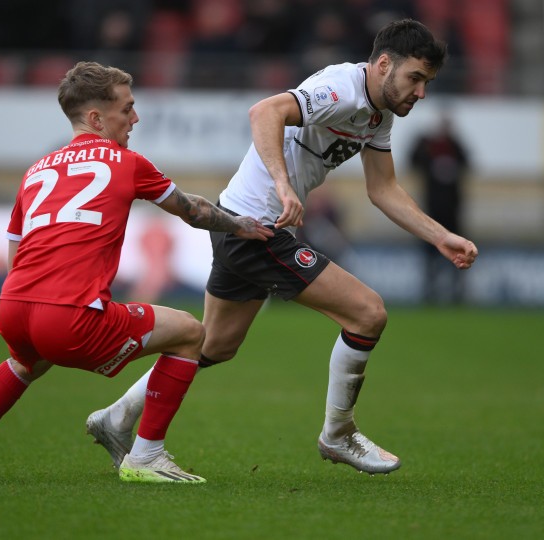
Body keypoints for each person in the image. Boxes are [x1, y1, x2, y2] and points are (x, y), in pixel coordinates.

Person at [88, 18, 478, 475]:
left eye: (427, 82)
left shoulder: (380, 113)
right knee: (368, 313)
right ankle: (338, 433)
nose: (421, 92)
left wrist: (440, 235)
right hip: (258, 226)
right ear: (384, 64)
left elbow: (383, 188)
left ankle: (117, 418)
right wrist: (283, 184)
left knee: (214, 344)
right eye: (415, 78)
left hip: (239, 220)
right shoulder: (343, 88)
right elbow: (264, 112)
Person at [0, 61, 273, 483]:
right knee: (189, 332)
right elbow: (193, 210)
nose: (135, 117)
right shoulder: (126, 162)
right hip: (71, 317)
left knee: (25, 361)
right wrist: (241, 225)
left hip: (14, 307)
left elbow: (14, 251)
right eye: (126, 108)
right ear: (95, 118)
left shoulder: (36, 171)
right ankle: (146, 456)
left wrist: (35, 302)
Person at [410, 114, 469, 304]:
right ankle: (430, 292)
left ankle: (456, 293)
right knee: (430, 255)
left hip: (452, 212)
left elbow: (468, 162)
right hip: (431, 212)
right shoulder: (428, 147)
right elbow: (413, 161)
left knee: (456, 255)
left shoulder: (455, 147)